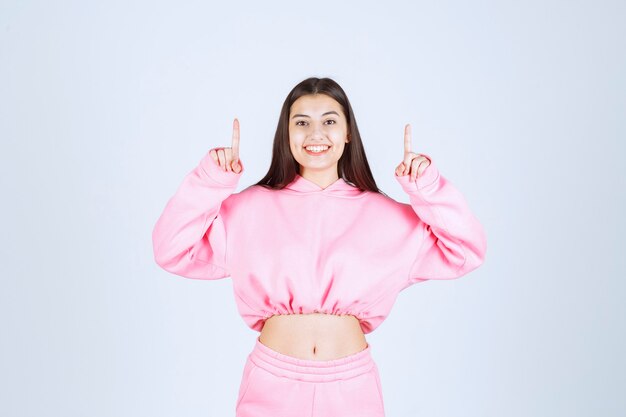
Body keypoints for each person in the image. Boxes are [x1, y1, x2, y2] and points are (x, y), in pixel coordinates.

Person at [151, 77, 487, 417]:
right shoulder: (247, 208)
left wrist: (427, 188)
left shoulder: (386, 215)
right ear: (286, 134)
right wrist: (211, 182)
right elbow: (170, 248)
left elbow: (466, 249)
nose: (315, 134)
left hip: (351, 389)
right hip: (272, 385)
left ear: (347, 133)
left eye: (329, 121)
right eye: (301, 123)